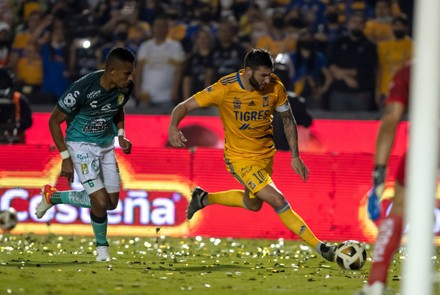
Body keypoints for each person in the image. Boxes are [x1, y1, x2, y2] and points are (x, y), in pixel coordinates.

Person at [168, 48, 336, 262]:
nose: (268, 79)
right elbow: (184, 106)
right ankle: (321, 248)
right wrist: (174, 126)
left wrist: (295, 156)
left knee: (253, 204)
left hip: (266, 155)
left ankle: (203, 198)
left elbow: (288, 119)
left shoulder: (275, 86)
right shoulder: (225, 88)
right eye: (263, 75)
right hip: (240, 159)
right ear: (248, 72)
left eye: (270, 74)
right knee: (277, 199)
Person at [34, 47, 135, 262]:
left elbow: (118, 108)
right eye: (127, 73)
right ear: (112, 71)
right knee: (99, 201)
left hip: (107, 145)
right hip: (80, 146)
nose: (131, 78)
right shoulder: (82, 88)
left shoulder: (125, 88)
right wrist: (65, 157)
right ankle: (102, 249)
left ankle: (52, 197)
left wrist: (121, 134)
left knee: (111, 203)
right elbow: (53, 121)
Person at [357, 63, 410, 295]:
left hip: (431, 142)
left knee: (398, 209)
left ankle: (376, 283)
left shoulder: (410, 71)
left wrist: (379, 173)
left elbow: (391, 120)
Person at [0, 67, 33, 143]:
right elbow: (28, 121)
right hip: (13, 138)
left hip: (13, 139)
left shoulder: (18, 99)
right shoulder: (19, 98)